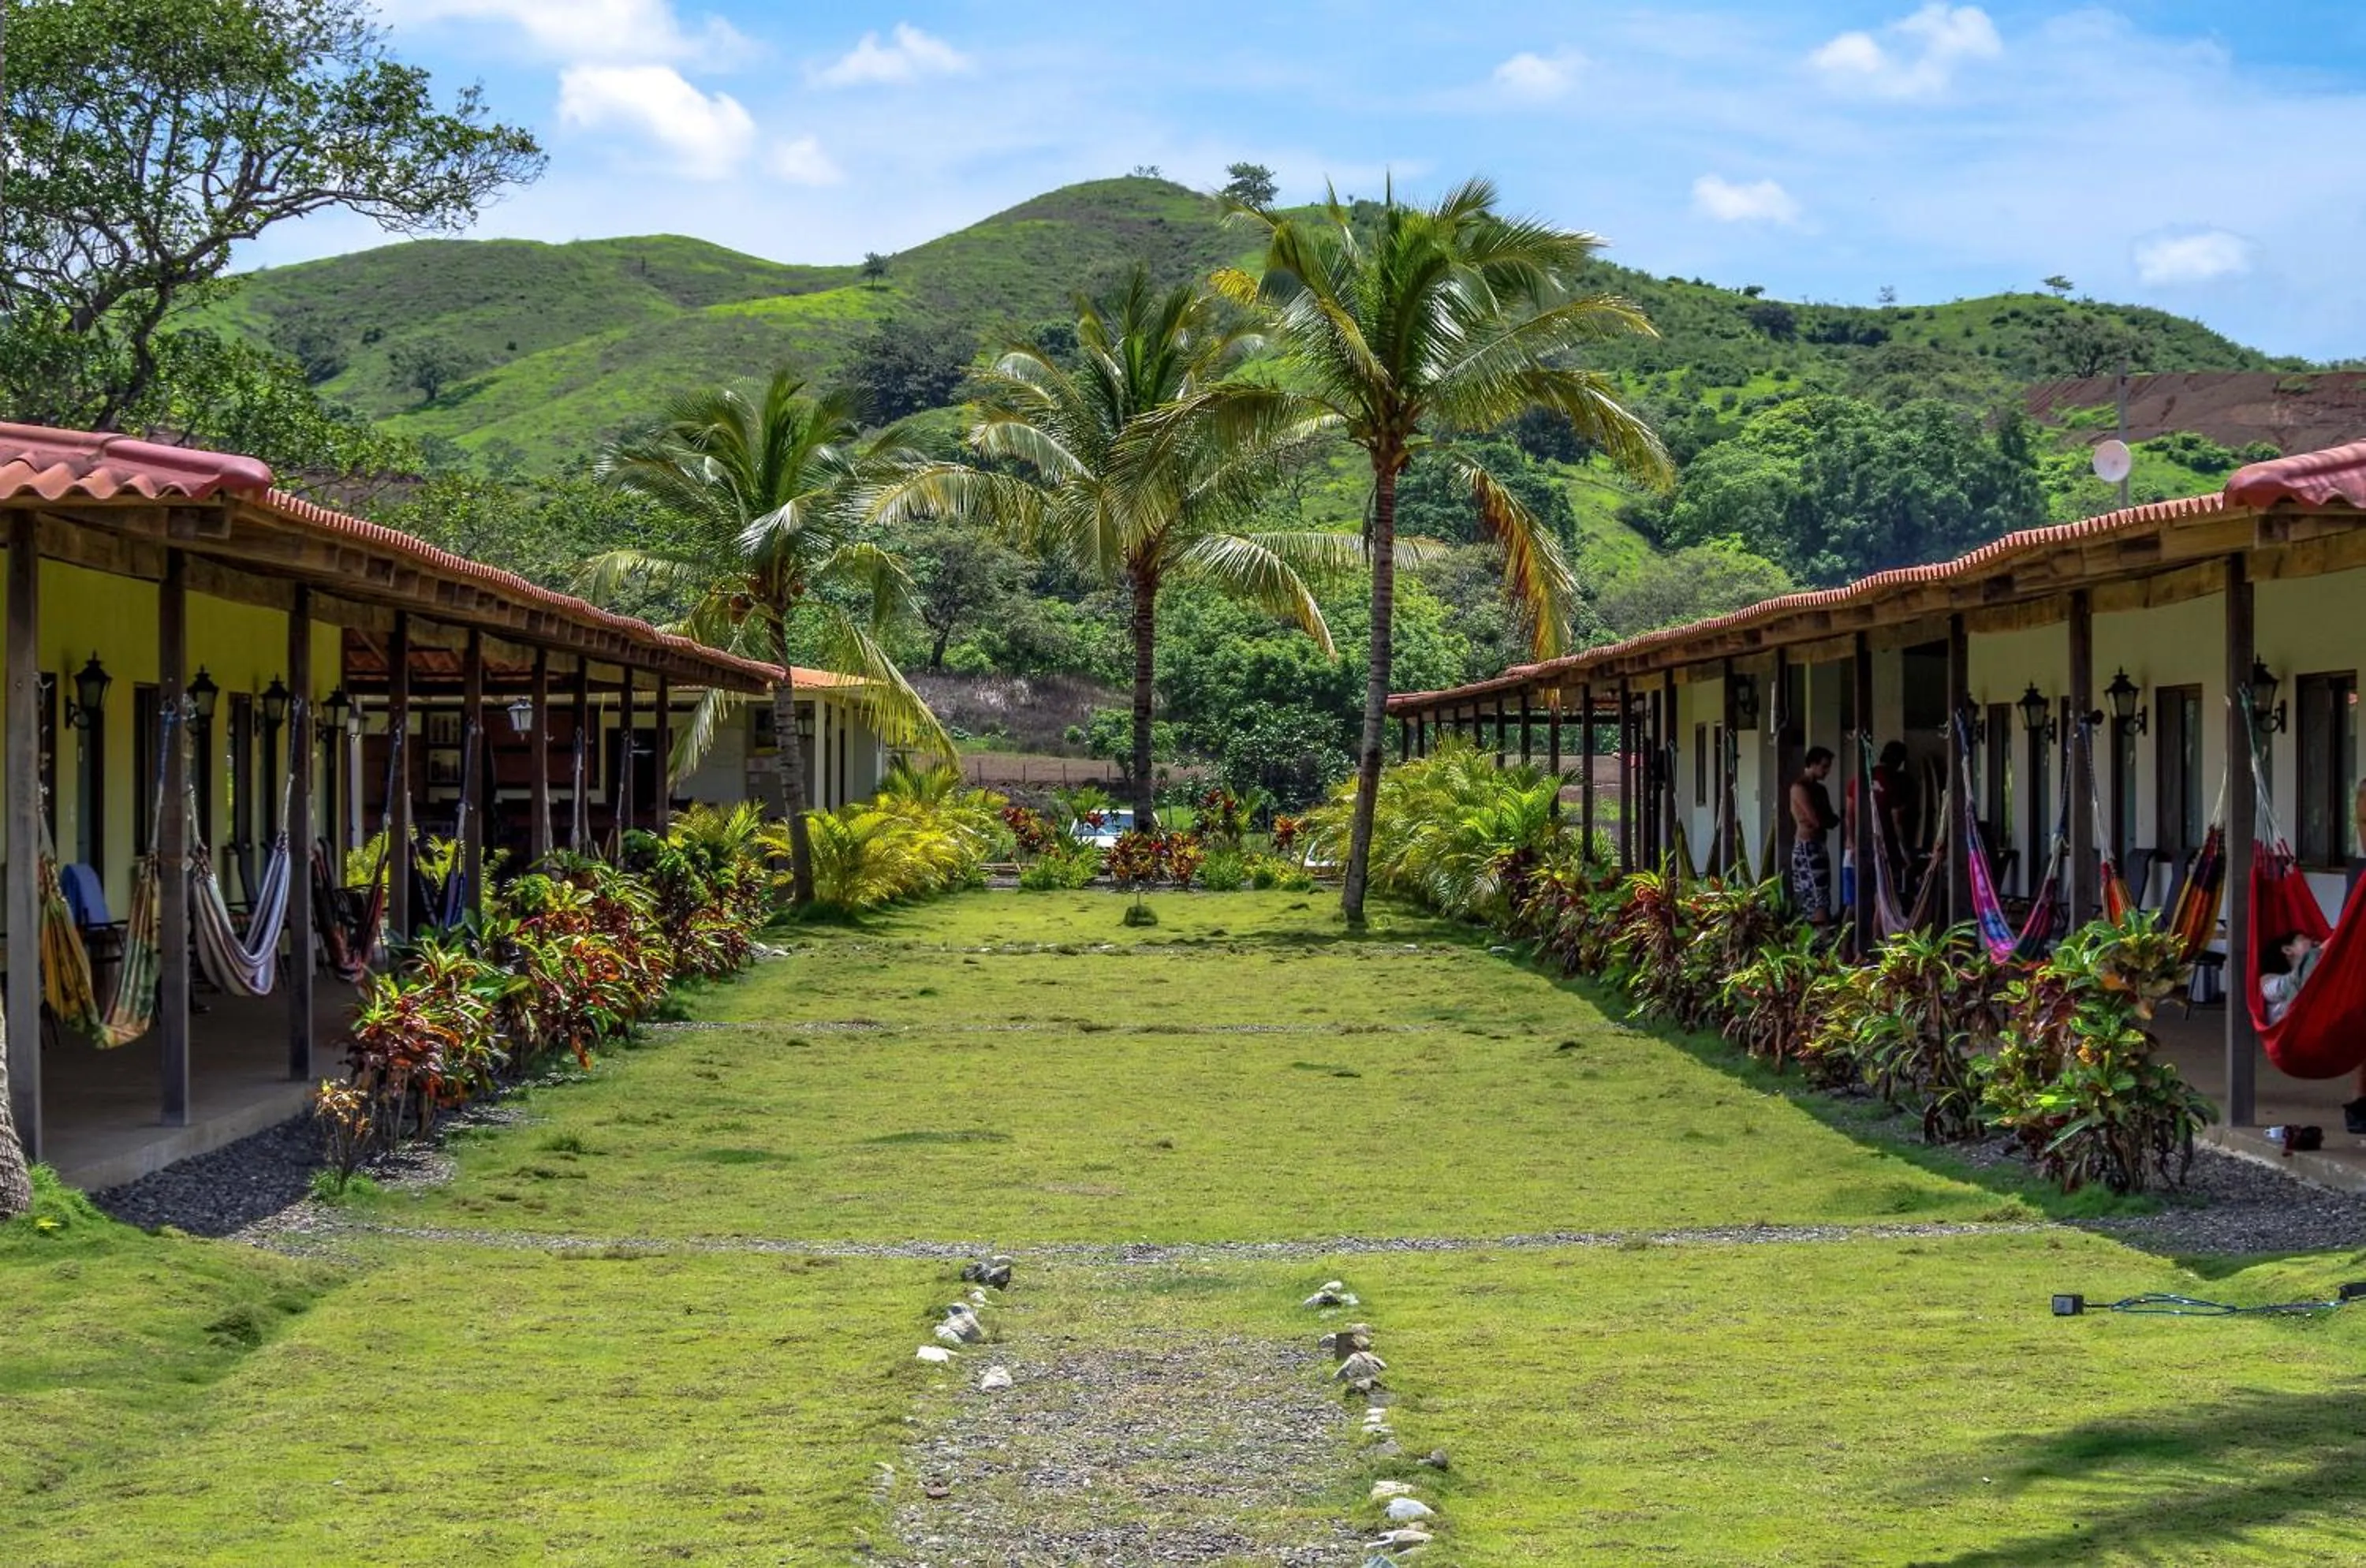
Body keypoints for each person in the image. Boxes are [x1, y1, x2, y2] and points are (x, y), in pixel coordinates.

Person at [1789, 747, 1841, 929]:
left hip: (1819, 844)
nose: (1827, 771)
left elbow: (1830, 818)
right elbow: (1815, 819)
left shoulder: (1820, 790)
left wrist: (1827, 819)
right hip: (1807, 847)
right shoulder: (1799, 788)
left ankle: (1821, 936)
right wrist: (1825, 819)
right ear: (1812, 764)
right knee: (1813, 893)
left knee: (1823, 891)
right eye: (1824, 767)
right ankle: (1819, 936)